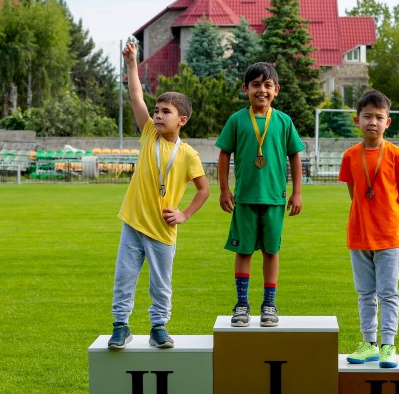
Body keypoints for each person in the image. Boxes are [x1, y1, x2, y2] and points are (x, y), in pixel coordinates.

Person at [108, 42, 209, 350]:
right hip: (133, 224)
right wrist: (132, 64)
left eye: (166, 112)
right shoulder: (149, 133)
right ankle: (120, 325)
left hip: (163, 231)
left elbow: (204, 190)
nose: (159, 115)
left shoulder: (189, 154)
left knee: (160, 284)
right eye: (157, 111)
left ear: (182, 120)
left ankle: (158, 327)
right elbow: (136, 96)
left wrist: (184, 214)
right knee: (124, 278)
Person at [216, 62, 304, 328]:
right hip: (244, 198)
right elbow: (223, 154)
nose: (261, 90)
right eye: (255, 85)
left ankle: (269, 304)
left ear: (276, 90)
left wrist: (297, 192)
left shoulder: (284, 121)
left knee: (271, 251)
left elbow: (295, 156)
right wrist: (224, 189)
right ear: (245, 89)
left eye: (267, 85)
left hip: (275, 199)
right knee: (243, 251)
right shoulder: (237, 120)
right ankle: (242, 304)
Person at [338, 89, 399, 368]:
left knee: (389, 293)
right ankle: (368, 343)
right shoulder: (350, 156)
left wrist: (396, 226)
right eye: (367, 116)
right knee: (365, 293)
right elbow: (354, 191)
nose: (373, 122)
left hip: (389, 236)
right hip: (358, 235)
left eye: (379, 117)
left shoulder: (396, 154)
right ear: (356, 120)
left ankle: (388, 345)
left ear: (387, 122)